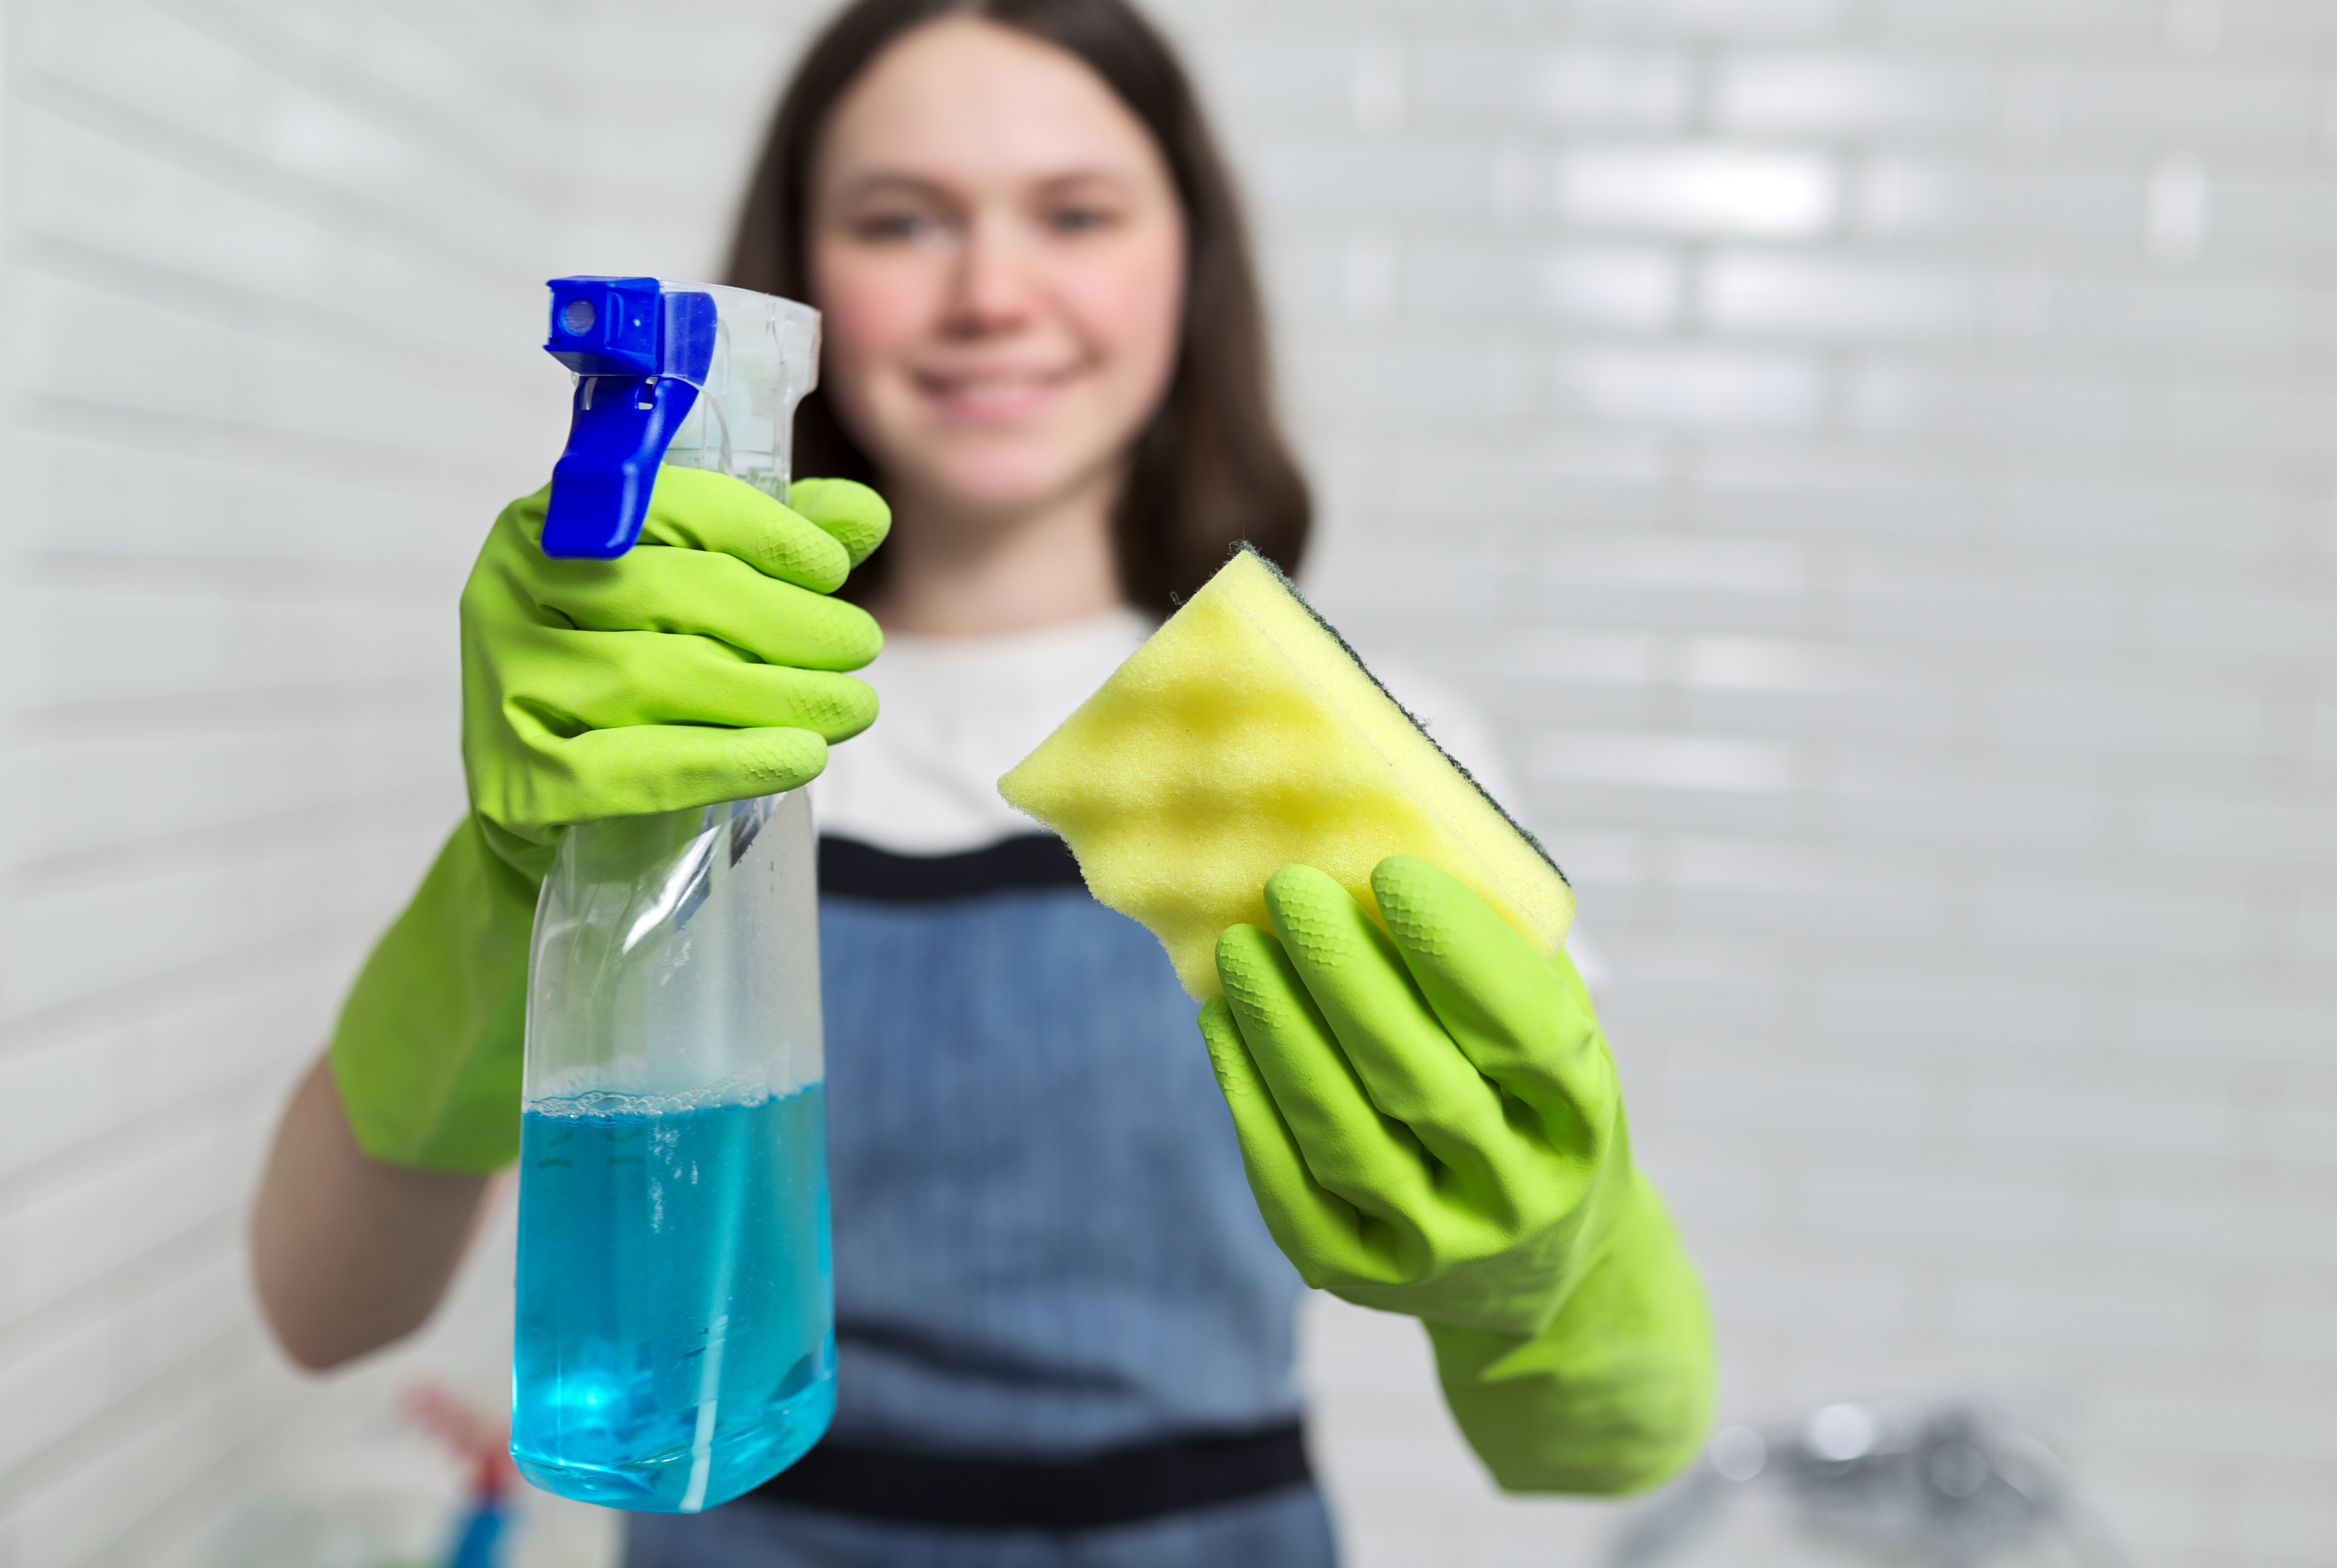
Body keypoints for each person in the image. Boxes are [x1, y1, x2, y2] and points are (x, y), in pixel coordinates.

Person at [249, 2, 1715, 1563]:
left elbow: (1595, 1453)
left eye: (1076, 214)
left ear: (1187, 262)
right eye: (901, 221)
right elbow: (329, 1306)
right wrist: (513, 870)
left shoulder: (1350, 747)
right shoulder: (662, 733)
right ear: (804, 273)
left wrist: (1554, 1271)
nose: (992, 294)